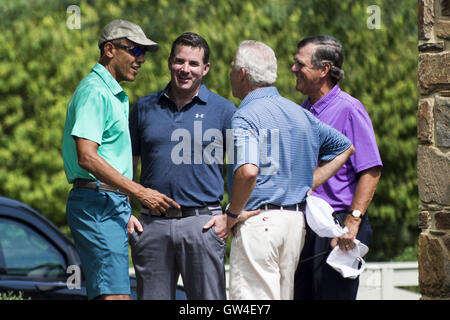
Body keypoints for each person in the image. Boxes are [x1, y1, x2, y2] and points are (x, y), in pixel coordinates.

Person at [225, 40, 355, 300]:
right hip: (295, 225)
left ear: (242, 74)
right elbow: (346, 148)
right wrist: (308, 182)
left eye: (231, 68)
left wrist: (232, 214)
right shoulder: (300, 113)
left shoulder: (245, 115)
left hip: (258, 222)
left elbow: (248, 172)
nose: (229, 73)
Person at [62, 20, 178, 300]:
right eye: (135, 50)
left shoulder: (112, 93)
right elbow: (87, 157)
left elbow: (107, 158)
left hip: (109, 204)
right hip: (97, 206)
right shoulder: (95, 91)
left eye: (144, 53)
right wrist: (140, 193)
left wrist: (124, 204)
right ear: (109, 49)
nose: (140, 59)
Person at [127, 32, 236, 300]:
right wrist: (125, 211)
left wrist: (231, 216)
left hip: (203, 224)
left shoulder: (225, 110)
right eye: (179, 61)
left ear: (206, 69)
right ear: (169, 63)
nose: (185, 69)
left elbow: (239, 169)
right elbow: (126, 166)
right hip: (151, 227)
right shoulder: (143, 107)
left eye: (193, 63)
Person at [291, 35, 382, 300]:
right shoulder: (303, 110)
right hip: (308, 225)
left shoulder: (350, 110)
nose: (293, 69)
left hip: (339, 226)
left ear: (324, 70)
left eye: (300, 64)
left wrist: (352, 222)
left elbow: (371, 170)